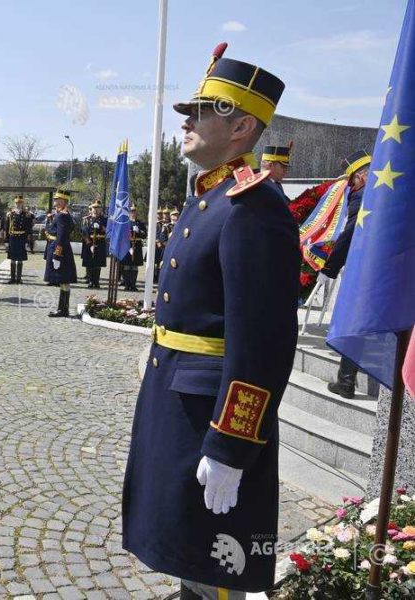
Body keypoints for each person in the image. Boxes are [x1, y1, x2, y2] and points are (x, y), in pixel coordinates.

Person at [122, 44, 299, 600]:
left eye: (205, 110)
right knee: (184, 548)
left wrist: (232, 443)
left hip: (210, 415)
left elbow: (263, 341)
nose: (187, 119)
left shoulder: (253, 206)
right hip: (177, 396)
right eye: (189, 109)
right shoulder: (213, 198)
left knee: (214, 561)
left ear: (243, 126)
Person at [322, 149, 372, 399]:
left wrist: (329, 269)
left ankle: (346, 381)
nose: (350, 184)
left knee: (354, 322)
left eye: (351, 178)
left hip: (363, 271)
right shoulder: (388, 194)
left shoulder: (361, 196)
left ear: (361, 176)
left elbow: (350, 234)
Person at [44, 190, 77, 316]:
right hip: (62, 249)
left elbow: (62, 237)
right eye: (55, 199)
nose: (55, 201)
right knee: (64, 281)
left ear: (63, 201)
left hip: (60, 250)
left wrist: (57, 255)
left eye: (57, 199)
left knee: (63, 280)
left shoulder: (62, 215)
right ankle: (63, 309)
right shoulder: (63, 214)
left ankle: (63, 310)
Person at [5, 196, 32, 284]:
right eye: (17, 203)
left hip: (21, 238)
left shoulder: (26, 214)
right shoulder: (10, 214)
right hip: (12, 238)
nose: (18, 204)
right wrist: (6, 241)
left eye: (20, 203)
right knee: (12, 259)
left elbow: (28, 229)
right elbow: (6, 228)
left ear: (22, 204)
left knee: (20, 259)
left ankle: (19, 278)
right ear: (15, 204)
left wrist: (27, 241)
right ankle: (12, 278)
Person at [82, 202, 108, 289]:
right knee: (90, 263)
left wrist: (100, 227)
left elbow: (108, 231)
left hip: (100, 242)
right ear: (91, 209)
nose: (96, 210)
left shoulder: (104, 219)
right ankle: (90, 281)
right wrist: (89, 243)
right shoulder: (87, 219)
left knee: (97, 264)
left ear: (100, 209)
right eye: (94, 208)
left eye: (98, 208)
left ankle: (96, 281)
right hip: (89, 243)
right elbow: (84, 232)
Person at [121, 206, 146, 291]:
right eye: (131, 211)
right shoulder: (125, 222)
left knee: (135, 266)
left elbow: (145, 235)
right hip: (127, 245)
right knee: (127, 265)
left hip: (137, 245)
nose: (133, 213)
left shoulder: (140, 223)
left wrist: (139, 231)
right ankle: (127, 284)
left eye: (134, 211)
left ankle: (133, 284)